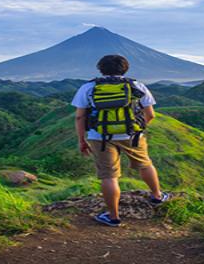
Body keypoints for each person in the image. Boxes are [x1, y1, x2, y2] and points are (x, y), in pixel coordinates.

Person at [71, 54, 169, 227]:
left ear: (101, 69)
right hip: (132, 135)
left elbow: (80, 117)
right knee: (145, 164)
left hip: (100, 137)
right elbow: (150, 114)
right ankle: (156, 196)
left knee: (109, 176)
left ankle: (113, 217)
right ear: (125, 68)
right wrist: (136, 129)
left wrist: (82, 140)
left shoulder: (88, 87)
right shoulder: (136, 85)